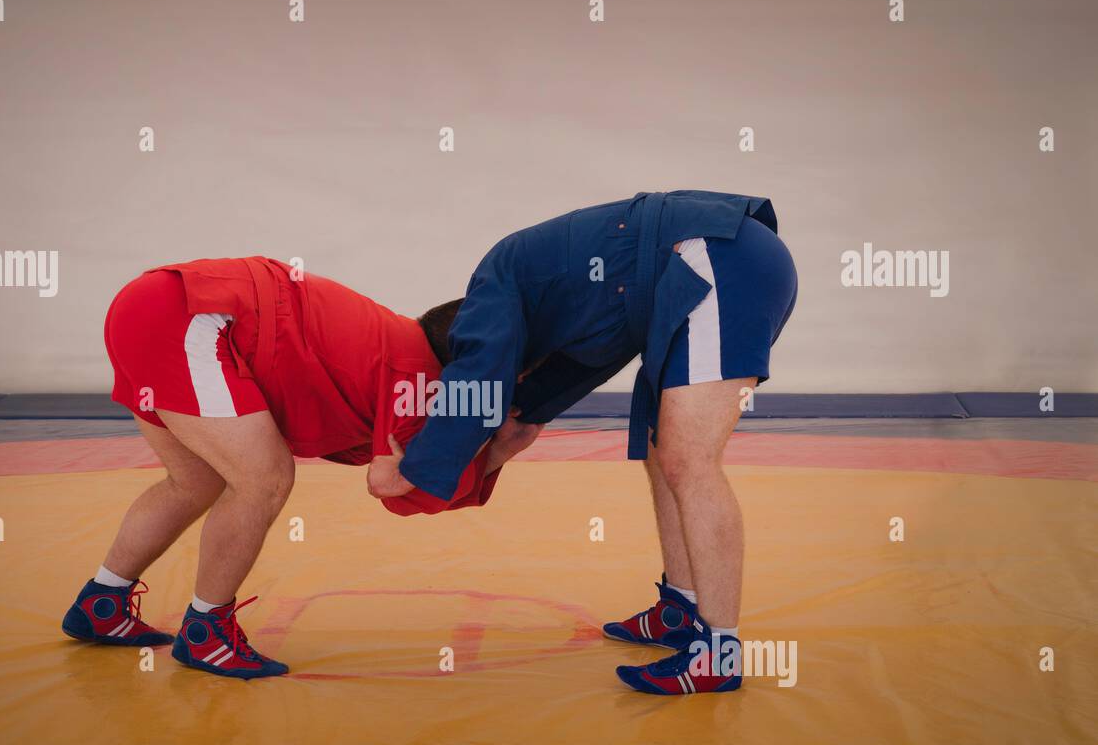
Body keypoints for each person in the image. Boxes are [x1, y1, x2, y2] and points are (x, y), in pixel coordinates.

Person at [368, 191, 798, 697]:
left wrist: (411, 472)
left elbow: (478, 376)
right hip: (709, 264)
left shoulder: (494, 282)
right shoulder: (564, 313)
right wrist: (497, 448)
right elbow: (526, 411)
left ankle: (718, 653)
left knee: (690, 458)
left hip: (720, 254)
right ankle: (682, 610)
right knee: (665, 452)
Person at [60, 257, 534, 679]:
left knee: (196, 480)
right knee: (263, 479)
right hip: (195, 317)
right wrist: (497, 452)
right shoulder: (418, 376)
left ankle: (103, 603)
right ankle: (207, 632)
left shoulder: (396, 341)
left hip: (160, 305)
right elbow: (401, 489)